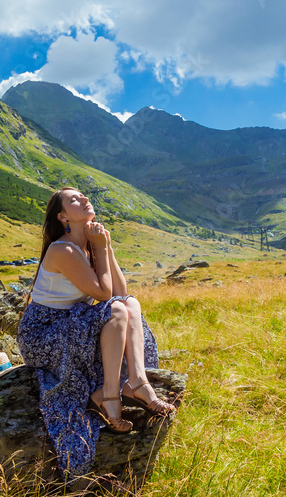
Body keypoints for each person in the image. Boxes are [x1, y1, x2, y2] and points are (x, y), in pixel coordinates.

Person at [17, 187, 175, 478]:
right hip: (43, 332)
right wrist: (100, 249)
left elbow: (121, 292)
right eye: (75, 200)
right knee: (116, 309)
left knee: (131, 304)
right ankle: (109, 396)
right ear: (63, 216)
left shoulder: (89, 244)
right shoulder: (62, 250)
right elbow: (104, 295)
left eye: (83, 196)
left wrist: (106, 245)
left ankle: (137, 381)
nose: (85, 200)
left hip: (72, 322)